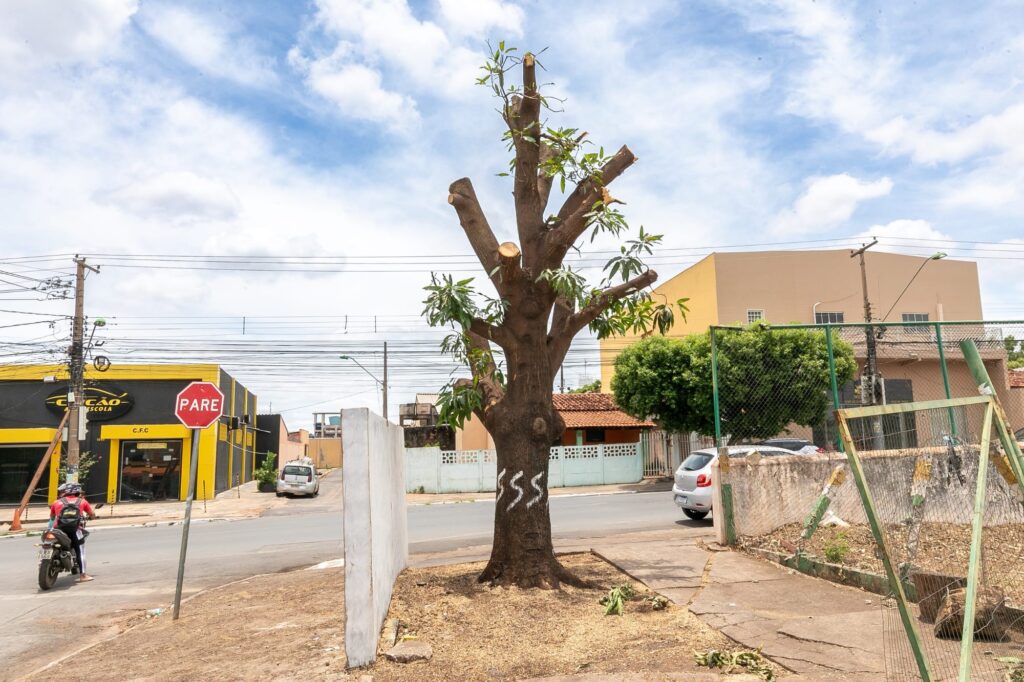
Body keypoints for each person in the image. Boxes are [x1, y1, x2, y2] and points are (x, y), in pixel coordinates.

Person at [49, 482, 96, 582]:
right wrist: (92, 516)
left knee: (49, 543)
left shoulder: (56, 502)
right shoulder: (82, 501)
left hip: (58, 529)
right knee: (80, 551)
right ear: (78, 491)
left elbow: (52, 517)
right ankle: (83, 575)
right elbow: (92, 514)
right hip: (74, 530)